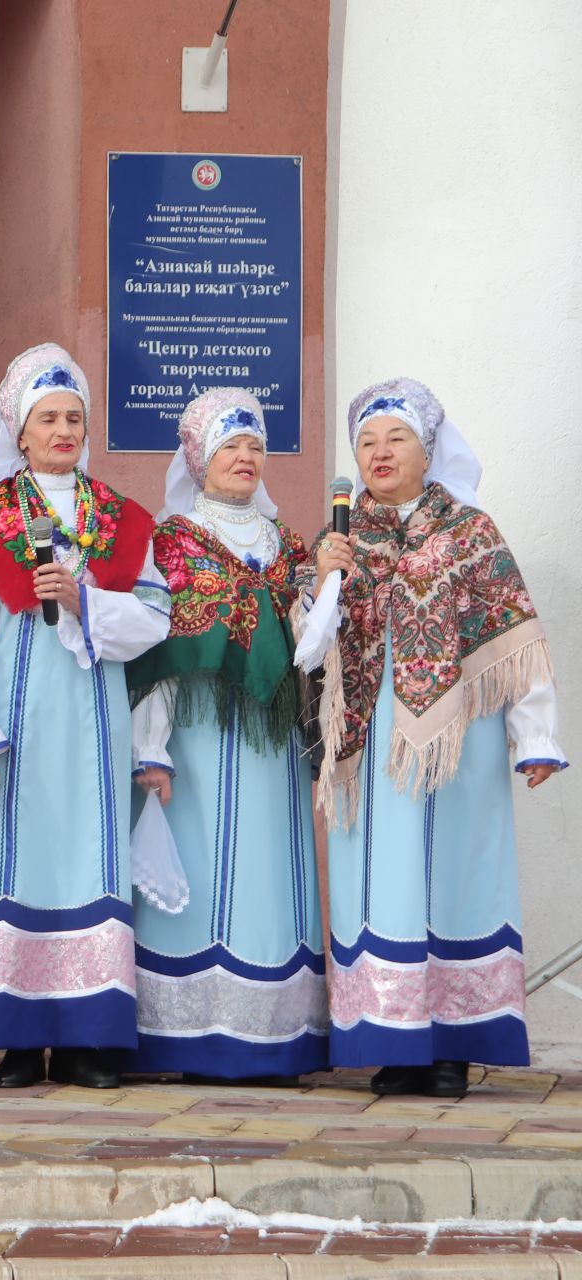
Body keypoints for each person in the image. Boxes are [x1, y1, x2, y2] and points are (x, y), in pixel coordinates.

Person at [309, 377, 564, 1098]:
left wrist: (536, 736)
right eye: (367, 441)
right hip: (372, 742)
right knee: (382, 880)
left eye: (396, 439)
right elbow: (309, 648)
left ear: (428, 452)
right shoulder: (343, 536)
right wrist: (320, 582)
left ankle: (452, 1043)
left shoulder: (470, 532)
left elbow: (513, 637)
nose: (380, 452)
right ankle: (396, 1040)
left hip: (461, 740)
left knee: (455, 873)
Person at [0, 342, 170, 1090]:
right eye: (48, 418)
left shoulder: (122, 519)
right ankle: (15, 1037)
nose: (63, 430)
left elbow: (155, 618)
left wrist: (85, 601)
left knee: (84, 850)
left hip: (91, 708)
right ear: (20, 430)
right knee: (17, 850)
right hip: (13, 708)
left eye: (74, 417)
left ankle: (83, 1035)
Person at [126, 388, 327, 1083]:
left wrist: (319, 597)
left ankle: (279, 1033)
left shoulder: (286, 542)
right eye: (229, 447)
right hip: (200, 740)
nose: (245, 457)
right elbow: (159, 652)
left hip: (273, 744)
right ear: (199, 458)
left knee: (272, 867)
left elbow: (313, 641)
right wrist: (150, 748)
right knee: (206, 864)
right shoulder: (173, 539)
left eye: (254, 446)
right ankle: (192, 1034)